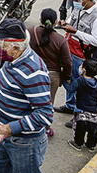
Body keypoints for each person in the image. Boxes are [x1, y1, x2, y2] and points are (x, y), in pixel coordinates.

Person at [0, 19, 53, 173]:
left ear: (15, 47)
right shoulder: (12, 59)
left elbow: (45, 115)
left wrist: (9, 128)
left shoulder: (34, 73)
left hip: (25, 143)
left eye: (0, 44)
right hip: (5, 134)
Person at [55, 0, 97, 129]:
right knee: (69, 78)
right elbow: (72, 21)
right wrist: (64, 24)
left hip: (82, 55)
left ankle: (78, 115)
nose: (75, 3)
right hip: (70, 49)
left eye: (78, 0)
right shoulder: (79, 9)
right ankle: (70, 105)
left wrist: (76, 32)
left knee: (80, 86)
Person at [29, 8, 72, 137]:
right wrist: (66, 77)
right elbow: (67, 63)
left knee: (29, 100)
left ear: (40, 19)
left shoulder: (31, 32)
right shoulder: (60, 40)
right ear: (55, 22)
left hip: (32, 72)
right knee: (47, 103)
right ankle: (45, 128)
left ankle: (28, 124)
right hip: (52, 76)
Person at [67, 59, 97, 152]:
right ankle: (91, 145)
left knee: (80, 129)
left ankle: (78, 143)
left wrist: (65, 81)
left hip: (81, 109)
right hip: (94, 110)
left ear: (84, 70)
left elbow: (70, 89)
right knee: (93, 129)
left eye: (81, 66)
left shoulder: (79, 81)